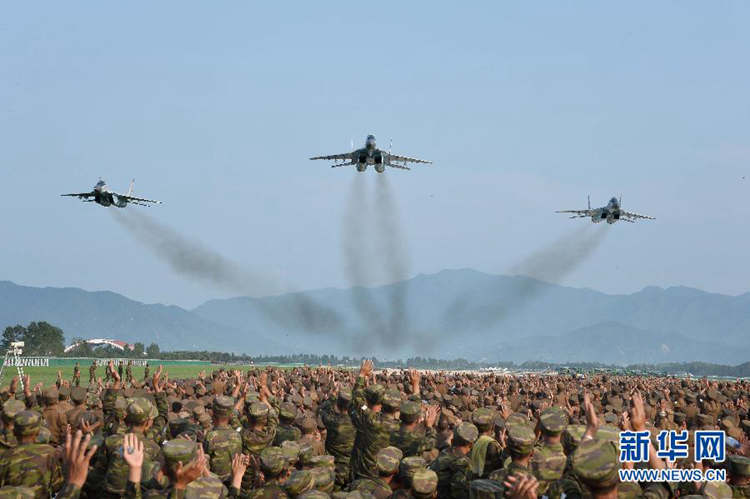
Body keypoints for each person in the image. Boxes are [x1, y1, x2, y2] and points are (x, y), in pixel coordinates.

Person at [0, 410, 64, 496]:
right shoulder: (50, 452)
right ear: (38, 432)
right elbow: (57, 485)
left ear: (14, 432)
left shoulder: (5, 456)